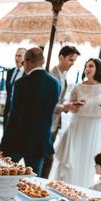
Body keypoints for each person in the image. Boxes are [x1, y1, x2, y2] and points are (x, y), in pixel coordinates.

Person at [0, 48, 60, 177]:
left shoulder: (21, 83)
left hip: (18, 141)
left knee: (3, 177)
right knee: (32, 181)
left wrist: (3, 145)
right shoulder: (55, 84)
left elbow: (15, 117)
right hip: (39, 141)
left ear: (27, 62)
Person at [53, 58, 101, 188]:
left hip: (93, 128)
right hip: (77, 125)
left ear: (98, 69)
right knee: (71, 161)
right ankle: (64, 188)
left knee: (87, 161)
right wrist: (75, 105)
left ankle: (82, 189)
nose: (87, 69)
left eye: (91, 66)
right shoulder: (78, 87)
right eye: (86, 66)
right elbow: (69, 108)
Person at [42, 45, 81, 178]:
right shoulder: (51, 75)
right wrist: (65, 107)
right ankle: (40, 183)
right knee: (48, 158)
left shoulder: (63, 74)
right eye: (70, 60)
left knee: (46, 158)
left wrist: (68, 105)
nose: (72, 63)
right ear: (61, 57)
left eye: (74, 61)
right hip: (46, 122)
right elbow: (47, 103)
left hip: (55, 122)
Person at [3, 48, 26, 129]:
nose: (17, 58)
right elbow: (8, 90)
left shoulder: (27, 74)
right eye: (16, 56)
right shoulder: (10, 72)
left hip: (19, 110)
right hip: (8, 107)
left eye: (19, 56)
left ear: (25, 58)